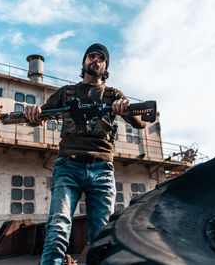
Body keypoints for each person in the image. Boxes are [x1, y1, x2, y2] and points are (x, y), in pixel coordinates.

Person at [25, 43, 146, 265]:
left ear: (105, 65)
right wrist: (33, 113)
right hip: (68, 167)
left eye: (101, 58)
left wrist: (125, 107)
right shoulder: (66, 92)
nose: (95, 60)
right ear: (84, 61)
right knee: (57, 231)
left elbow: (140, 123)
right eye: (91, 56)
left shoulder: (113, 94)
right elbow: (40, 116)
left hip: (102, 169)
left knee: (101, 238)